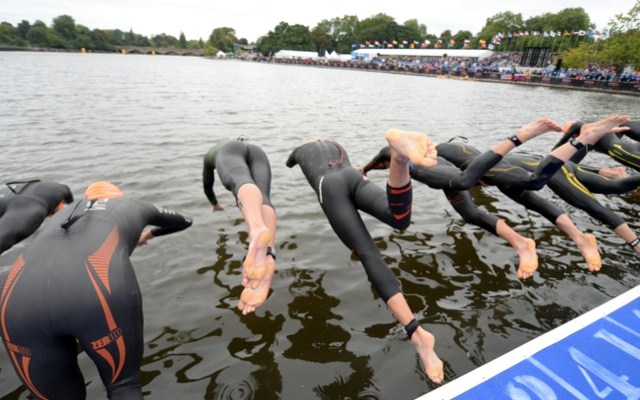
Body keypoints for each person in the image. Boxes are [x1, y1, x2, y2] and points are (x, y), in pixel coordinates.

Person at [0, 181, 192, 399]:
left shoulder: (58, 216)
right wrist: (148, 234)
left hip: (16, 301)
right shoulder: (132, 204)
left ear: (86, 196)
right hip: (93, 293)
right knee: (123, 385)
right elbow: (185, 221)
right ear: (118, 196)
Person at [286, 130, 444, 384]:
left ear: (307, 143)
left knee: (368, 253)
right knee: (398, 219)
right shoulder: (335, 144)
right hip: (352, 175)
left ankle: (417, 334)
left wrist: (294, 157)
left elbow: (290, 162)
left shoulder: (300, 151)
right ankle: (399, 159)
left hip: (329, 186)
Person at [360, 118, 568, 279]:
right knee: (470, 212)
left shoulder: (392, 155)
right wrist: (364, 170)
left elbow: (378, 161)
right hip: (438, 168)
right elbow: (372, 164)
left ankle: (520, 136)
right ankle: (522, 243)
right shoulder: (384, 157)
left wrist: (365, 171)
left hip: (429, 169)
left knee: (463, 181)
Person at [437, 115, 631, 268]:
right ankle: (590, 146)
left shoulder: (472, 169)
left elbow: (536, 197)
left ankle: (585, 137)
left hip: (541, 168)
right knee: (536, 188)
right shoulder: (465, 173)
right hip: (535, 163)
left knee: (607, 189)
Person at [203, 138, 277, 315]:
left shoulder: (213, 153)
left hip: (228, 151)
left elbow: (207, 186)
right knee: (263, 197)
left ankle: (257, 228)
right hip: (259, 152)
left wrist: (214, 203)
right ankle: (269, 252)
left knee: (239, 180)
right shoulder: (248, 146)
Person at [0, 179, 73, 255]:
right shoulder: (36, 209)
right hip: (29, 207)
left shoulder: (58, 188)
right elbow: (70, 205)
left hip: (8, 199)